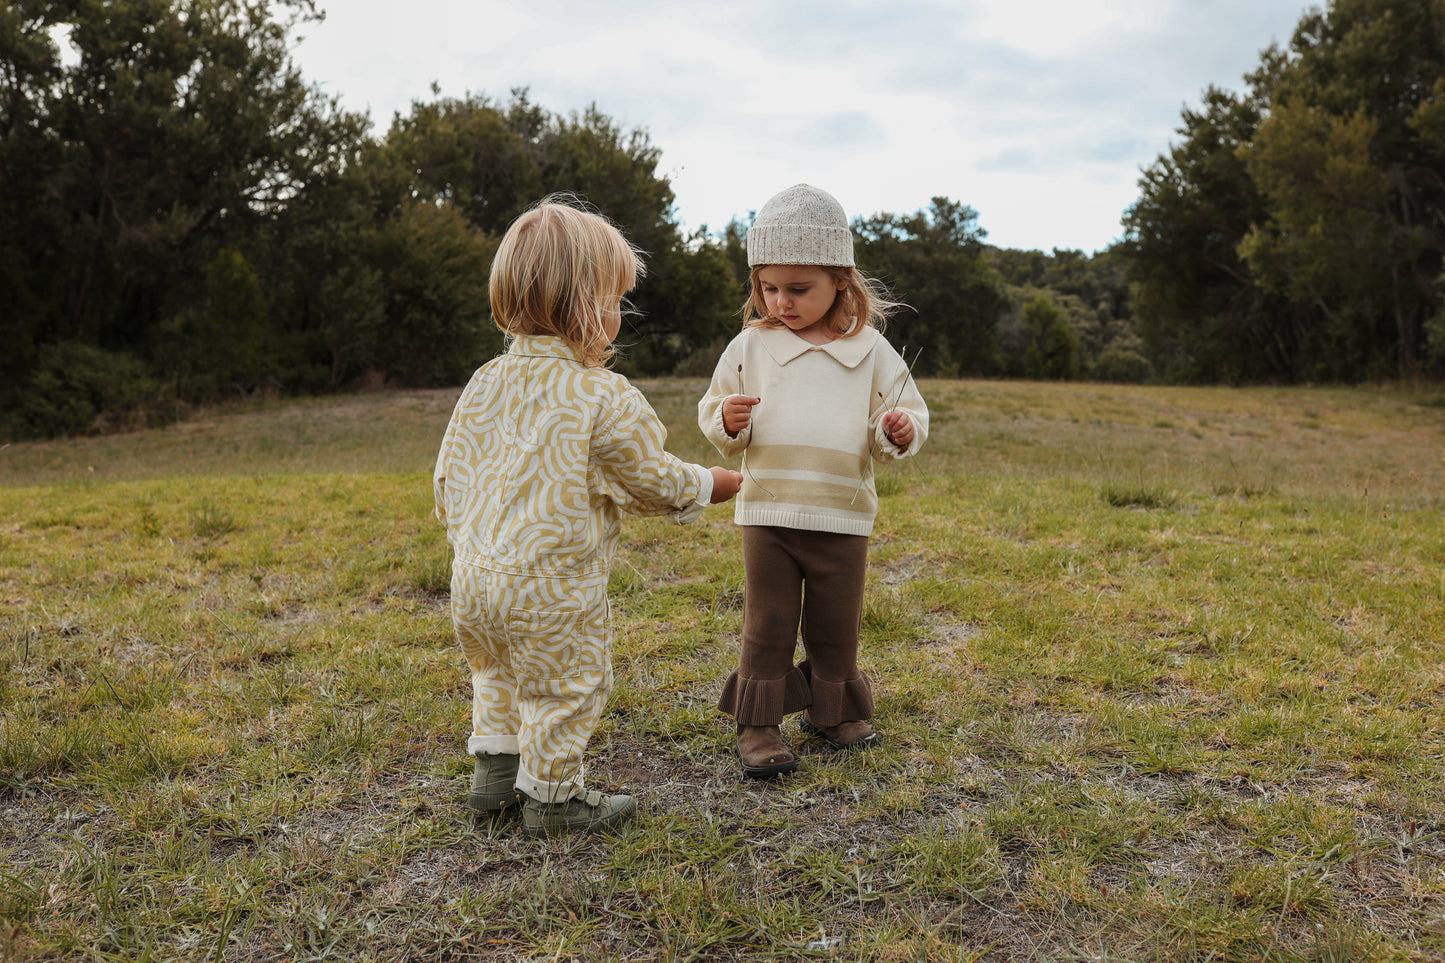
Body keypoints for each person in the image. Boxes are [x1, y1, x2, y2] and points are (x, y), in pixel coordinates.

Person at [435, 197, 742, 835]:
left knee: (495, 670)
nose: (618, 317)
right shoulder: (599, 395)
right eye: (614, 301)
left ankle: (494, 777)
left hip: (474, 578)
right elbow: (650, 480)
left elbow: (449, 477)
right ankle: (553, 801)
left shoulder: (484, 381)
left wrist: (468, 544)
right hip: (551, 589)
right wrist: (709, 482)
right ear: (581, 304)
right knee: (563, 686)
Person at [698, 184, 928, 779]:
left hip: (843, 513)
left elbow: (907, 412)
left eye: (798, 289)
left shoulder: (872, 350)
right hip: (767, 513)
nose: (781, 302)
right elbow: (715, 406)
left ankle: (832, 711)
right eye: (768, 288)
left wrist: (898, 430)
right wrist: (725, 420)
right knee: (768, 622)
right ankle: (759, 724)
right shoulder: (752, 345)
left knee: (835, 623)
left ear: (840, 282)